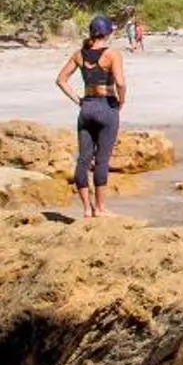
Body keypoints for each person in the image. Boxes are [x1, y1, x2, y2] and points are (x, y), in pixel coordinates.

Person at [55, 16, 128, 217]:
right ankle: (101, 208)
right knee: (102, 160)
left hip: (86, 108)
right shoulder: (112, 54)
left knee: (83, 160)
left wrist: (79, 100)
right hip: (106, 106)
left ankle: (87, 209)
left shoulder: (79, 55)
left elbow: (61, 80)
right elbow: (120, 83)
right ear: (108, 33)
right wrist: (122, 101)